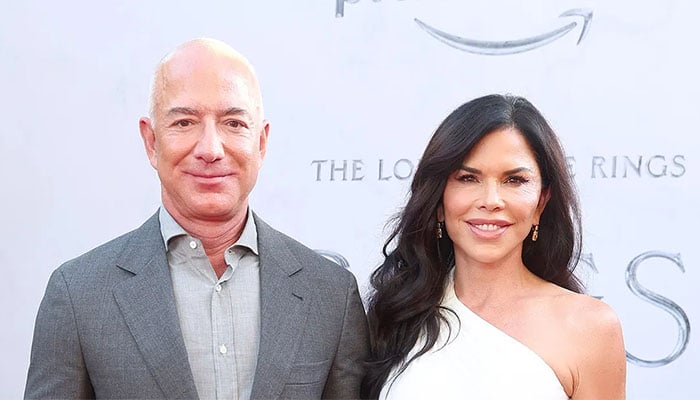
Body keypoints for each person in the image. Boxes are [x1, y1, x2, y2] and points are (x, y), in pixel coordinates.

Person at [24, 38, 369, 400]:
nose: (210, 149)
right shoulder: (79, 295)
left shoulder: (330, 295)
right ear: (151, 141)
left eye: (234, 123)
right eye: (185, 122)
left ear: (261, 142)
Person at [361, 94, 626, 399]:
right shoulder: (397, 316)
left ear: (541, 202)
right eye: (468, 178)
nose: (491, 200)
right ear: (438, 201)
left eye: (514, 180)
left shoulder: (589, 327)